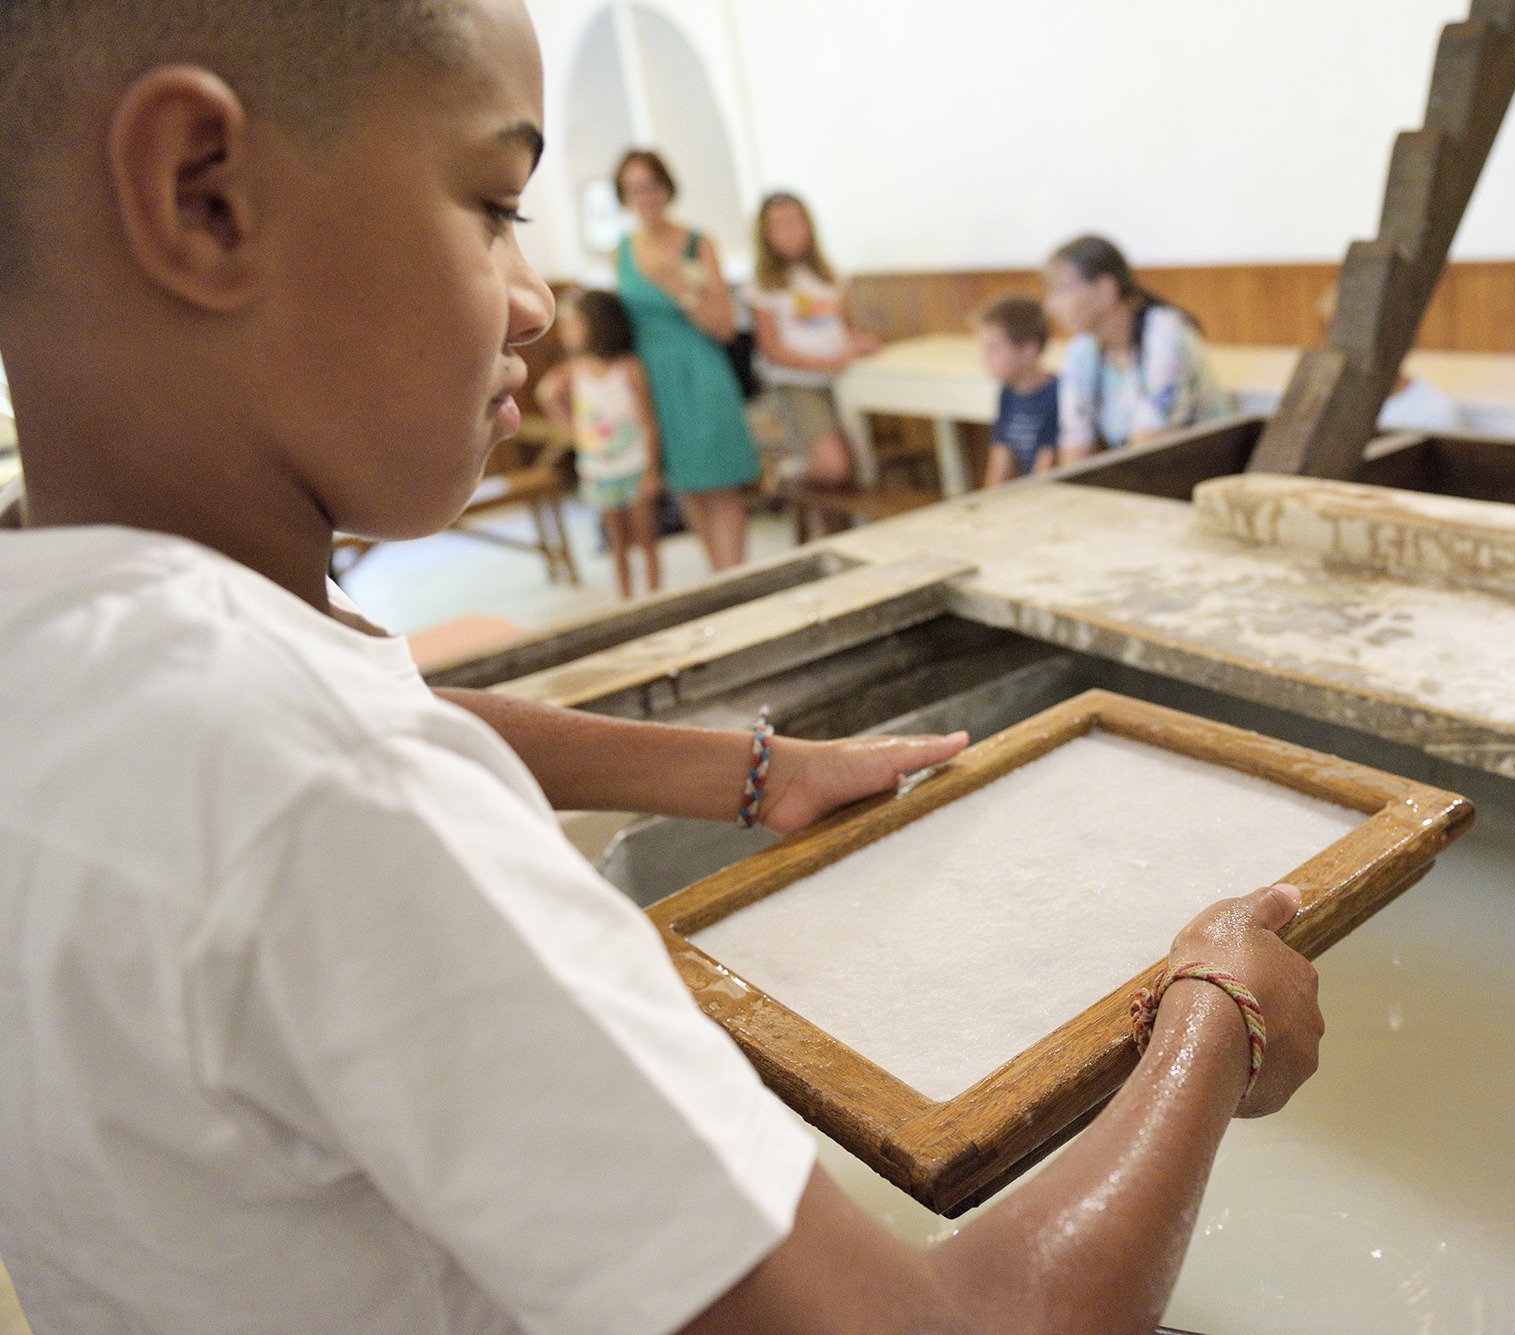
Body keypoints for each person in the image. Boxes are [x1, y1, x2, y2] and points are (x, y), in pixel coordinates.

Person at [0, 3, 1323, 1334]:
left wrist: (755, 772)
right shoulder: (357, 808)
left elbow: (356, 714)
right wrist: (1215, 1013)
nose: (534, 299)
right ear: (204, 198)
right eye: (493, 203)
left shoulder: (78, 652)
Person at [614, 148, 760, 571]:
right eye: (633, 188)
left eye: (652, 185)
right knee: (688, 485)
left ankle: (734, 579)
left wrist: (677, 283)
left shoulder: (699, 243)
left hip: (701, 369)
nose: (645, 196)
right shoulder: (621, 251)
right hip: (654, 380)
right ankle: (719, 577)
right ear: (623, 195)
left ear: (667, 187)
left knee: (720, 484)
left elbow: (725, 326)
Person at [1044, 234, 1228, 466]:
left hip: (1202, 475)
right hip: (1145, 478)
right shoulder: (1082, 350)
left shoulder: (1165, 333)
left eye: (1062, 290)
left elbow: (1146, 448)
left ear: (1105, 289)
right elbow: (1074, 443)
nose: (1050, 306)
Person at [536, 290, 662, 598]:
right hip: (599, 469)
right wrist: (573, 429)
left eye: (572, 324)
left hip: (634, 465)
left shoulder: (628, 368)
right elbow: (546, 395)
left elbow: (648, 422)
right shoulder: (572, 372)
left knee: (646, 537)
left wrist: (652, 471)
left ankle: (656, 594)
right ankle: (626, 597)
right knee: (616, 539)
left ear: (597, 324)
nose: (566, 332)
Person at [748, 191, 878, 489]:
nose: (790, 231)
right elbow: (771, 349)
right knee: (834, 466)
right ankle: (784, 476)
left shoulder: (829, 275)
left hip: (841, 379)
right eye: (779, 225)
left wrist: (860, 343)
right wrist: (825, 363)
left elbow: (845, 328)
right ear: (765, 235)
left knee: (858, 462)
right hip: (798, 383)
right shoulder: (764, 285)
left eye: (795, 221)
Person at [974, 293, 1060, 486]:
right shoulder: (1007, 393)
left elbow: (1047, 470)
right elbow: (1001, 459)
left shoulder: (1057, 394)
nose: (983, 359)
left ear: (1029, 349)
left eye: (992, 349)